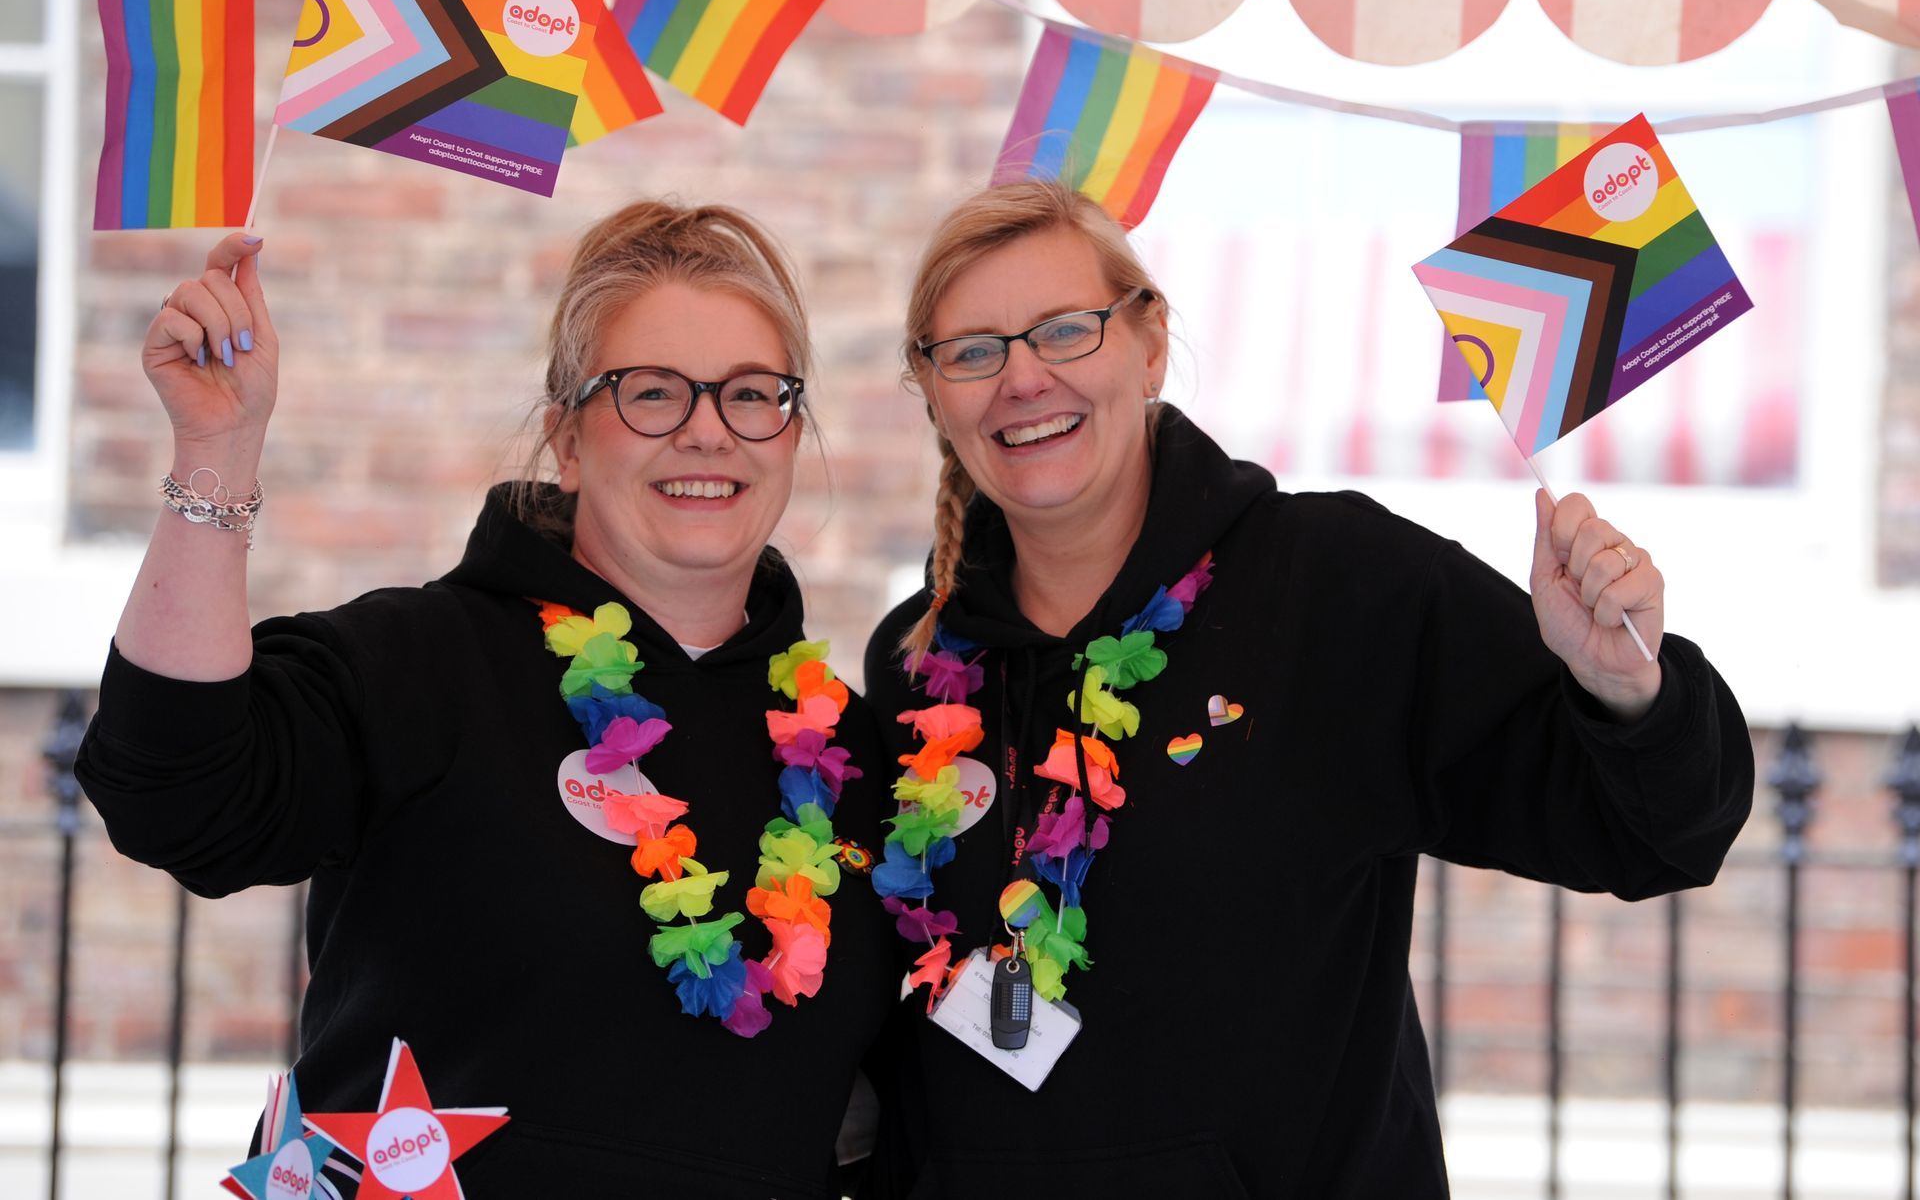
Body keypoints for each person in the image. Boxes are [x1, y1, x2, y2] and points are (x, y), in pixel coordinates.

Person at [860, 182, 1753, 1199]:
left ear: (1149, 343)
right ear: (931, 389)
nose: (1022, 378)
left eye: (1066, 331)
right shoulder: (914, 664)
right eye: (973, 350)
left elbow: (1655, 833)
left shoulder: (1339, 587)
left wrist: (1623, 688)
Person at [77, 204, 893, 1199]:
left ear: (791, 429)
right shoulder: (424, 663)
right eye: (651, 394)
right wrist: (218, 448)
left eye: (753, 394)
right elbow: (175, 790)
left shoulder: (850, 762)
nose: (707, 432)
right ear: (566, 439)